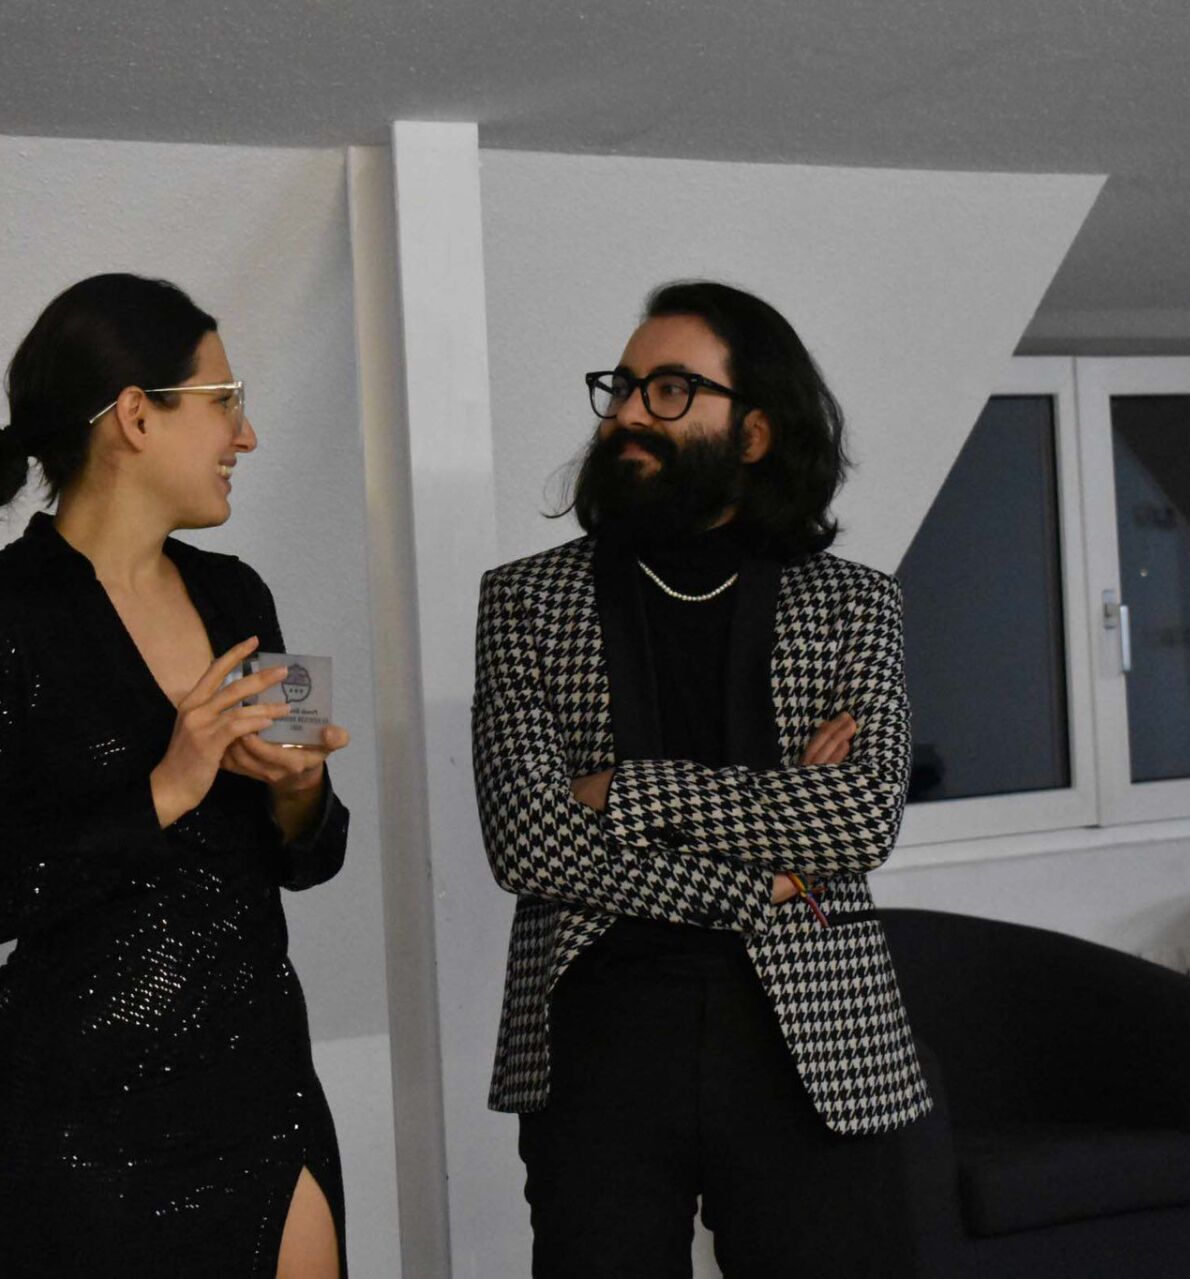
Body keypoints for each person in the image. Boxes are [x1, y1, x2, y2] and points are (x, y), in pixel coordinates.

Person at [471, 280, 935, 1276]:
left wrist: (621, 790)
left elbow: (859, 820)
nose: (629, 413)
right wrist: (764, 873)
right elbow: (526, 840)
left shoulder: (854, 604)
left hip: (816, 1038)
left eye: (671, 389)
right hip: (598, 1032)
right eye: (623, 387)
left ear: (754, 432)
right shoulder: (526, 601)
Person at [0, 273, 350, 1278]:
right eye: (225, 402)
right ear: (137, 416)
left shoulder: (239, 594)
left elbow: (310, 858)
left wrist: (298, 791)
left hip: (265, 1089)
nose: (247, 436)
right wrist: (167, 785)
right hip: (79, 1130)